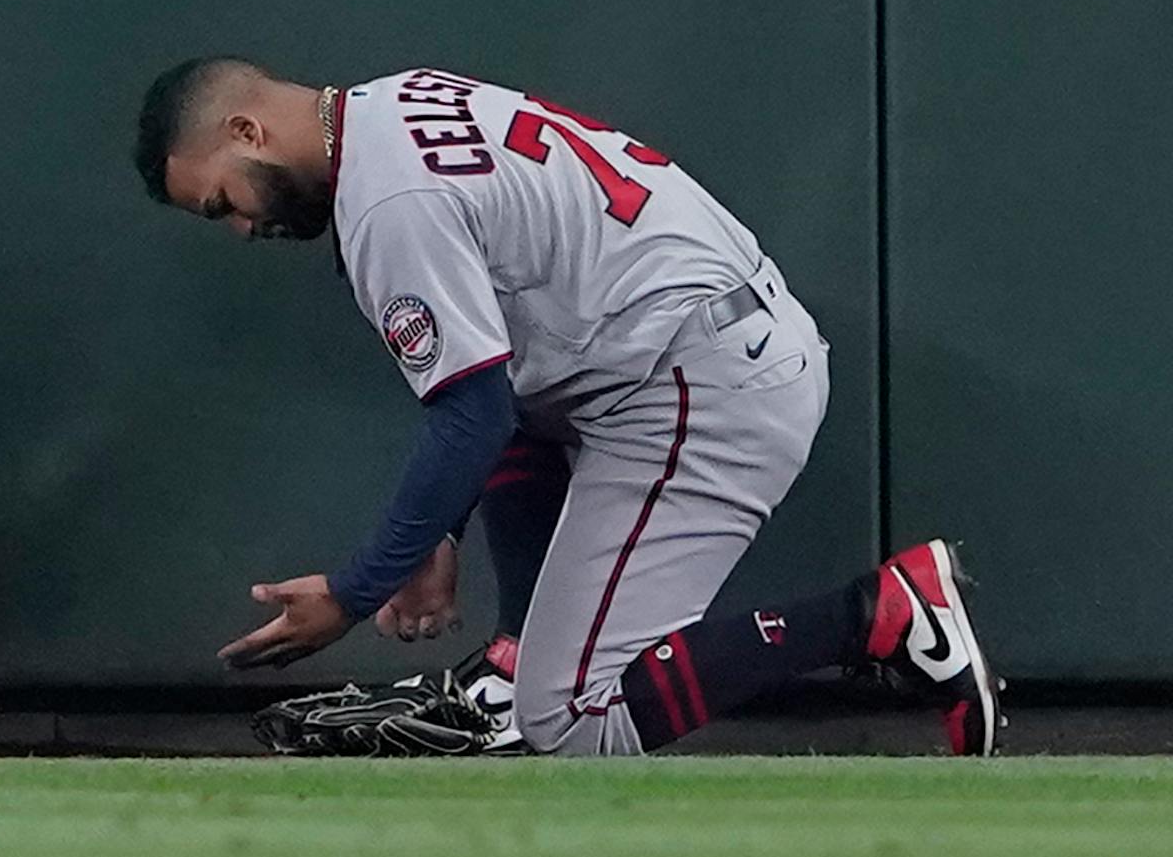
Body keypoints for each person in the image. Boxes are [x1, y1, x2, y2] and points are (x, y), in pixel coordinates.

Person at [134, 58, 1002, 757]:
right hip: (680, 350)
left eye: (222, 201)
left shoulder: (389, 201)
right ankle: (517, 660)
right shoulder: (392, 104)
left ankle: (881, 615)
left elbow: (473, 413)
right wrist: (440, 529)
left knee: (578, 721)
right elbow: (497, 379)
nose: (240, 228)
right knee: (518, 396)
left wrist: (355, 593)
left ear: (247, 130)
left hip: (698, 379)